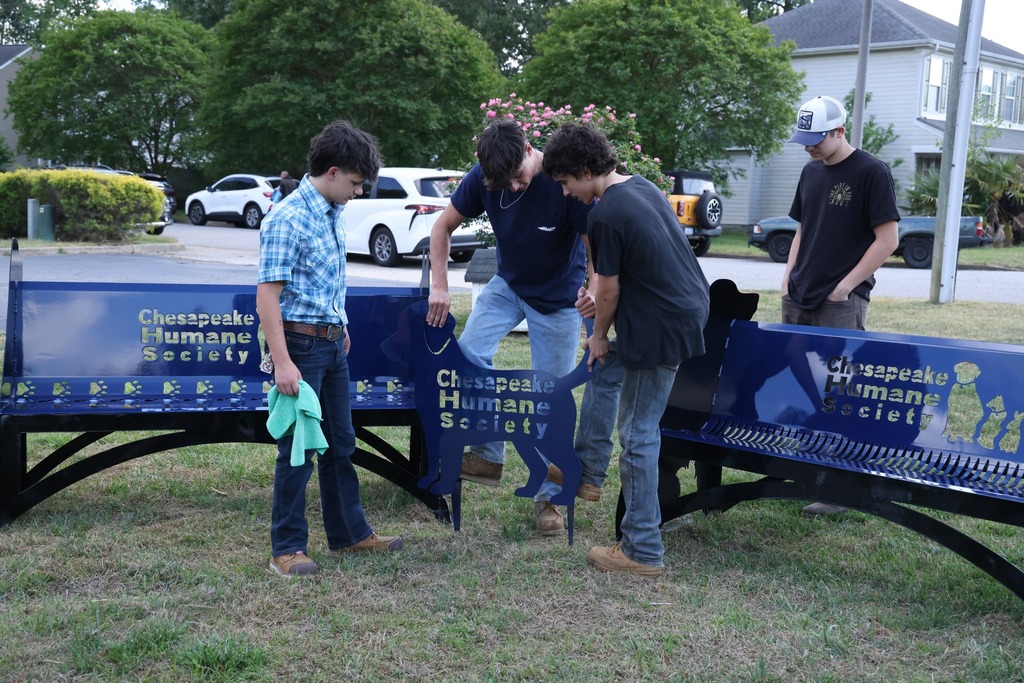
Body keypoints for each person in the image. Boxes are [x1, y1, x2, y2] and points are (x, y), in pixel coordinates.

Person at [542, 122, 710, 576]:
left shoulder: (605, 215)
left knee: (637, 433)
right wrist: (601, 321)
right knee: (606, 366)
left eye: (564, 183)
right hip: (679, 310)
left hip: (661, 325)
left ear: (583, 169)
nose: (564, 193)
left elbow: (611, 292)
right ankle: (587, 470)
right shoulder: (642, 189)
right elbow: (624, 274)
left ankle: (642, 550)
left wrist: (597, 332)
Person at [426, 118, 599, 535]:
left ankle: (548, 503)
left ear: (527, 149)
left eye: (518, 179)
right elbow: (441, 226)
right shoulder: (486, 178)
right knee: (466, 358)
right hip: (508, 286)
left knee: (547, 398)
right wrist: (440, 286)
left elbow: (597, 246)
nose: (513, 188)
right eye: (503, 184)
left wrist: (592, 289)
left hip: (558, 297)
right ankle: (488, 454)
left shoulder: (561, 180)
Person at [257, 120, 403, 577]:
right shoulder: (287, 218)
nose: (359, 192)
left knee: (341, 442)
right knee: (298, 449)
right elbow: (268, 296)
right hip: (299, 348)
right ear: (334, 172)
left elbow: (323, 282)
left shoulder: (332, 210)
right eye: (357, 183)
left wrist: (340, 326)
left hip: (332, 343)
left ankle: (350, 535)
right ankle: (287, 548)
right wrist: (282, 362)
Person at [783, 95, 901, 516]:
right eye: (804, 138)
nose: (809, 146)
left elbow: (888, 240)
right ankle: (817, 459)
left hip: (840, 299)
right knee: (801, 369)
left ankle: (844, 484)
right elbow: (802, 229)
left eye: (816, 138)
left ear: (839, 131)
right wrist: (787, 276)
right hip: (799, 293)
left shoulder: (871, 172)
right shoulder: (810, 171)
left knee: (840, 388)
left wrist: (845, 288)